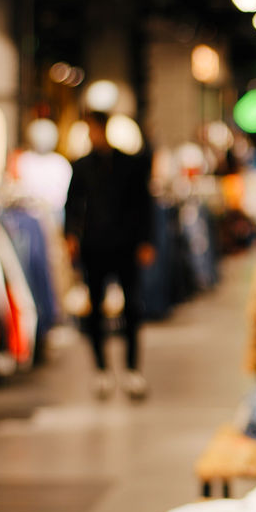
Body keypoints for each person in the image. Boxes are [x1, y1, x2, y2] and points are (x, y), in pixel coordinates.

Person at [64, 112, 155, 400]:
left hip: (125, 244)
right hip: (94, 246)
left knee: (132, 307)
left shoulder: (129, 164)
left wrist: (145, 240)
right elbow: (72, 205)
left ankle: (131, 369)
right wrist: (71, 236)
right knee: (95, 309)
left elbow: (143, 204)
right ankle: (101, 369)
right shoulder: (81, 166)